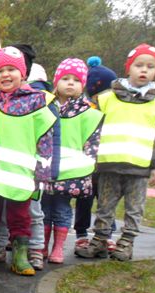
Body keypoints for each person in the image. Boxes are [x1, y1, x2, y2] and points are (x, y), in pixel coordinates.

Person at [75, 44, 155, 261]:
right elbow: (92, 126)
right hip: (109, 164)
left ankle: (126, 242)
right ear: (129, 68)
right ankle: (99, 240)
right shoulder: (107, 98)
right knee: (104, 206)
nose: (143, 70)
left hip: (139, 169)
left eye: (150, 66)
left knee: (134, 209)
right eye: (139, 65)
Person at [0, 47, 56, 276]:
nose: (5, 75)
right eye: (0, 71)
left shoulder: (37, 103)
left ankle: (20, 256)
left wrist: (43, 172)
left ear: (23, 74)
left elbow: (45, 139)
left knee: (20, 216)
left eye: (11, 70)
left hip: (22, 174)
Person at [41, 58, 104, 264]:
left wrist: (88, 165)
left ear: (83, 85)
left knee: (62, 209)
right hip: (46, 167)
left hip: (71, 173)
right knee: (43, 209)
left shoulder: (88, 112)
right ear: (56, 81)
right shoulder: (45, 106)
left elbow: (92, 142)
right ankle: (42, 244)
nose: (70, 83)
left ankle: (58, 246)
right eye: (65, 78)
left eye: (76, 80)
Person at [72, 56, 118, 250]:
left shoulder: (115, 108)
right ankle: (81, 232)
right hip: (86, 163)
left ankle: (107, 232)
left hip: (106, 161)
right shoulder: (84, 109)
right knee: (85, 198)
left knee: (106, 199)